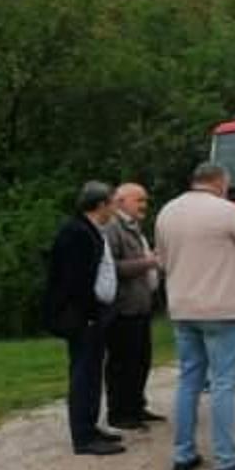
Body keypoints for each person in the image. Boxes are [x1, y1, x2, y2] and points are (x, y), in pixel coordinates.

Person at [156, 162, 235, 470]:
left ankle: (183, 452)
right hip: (222, 306)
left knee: (189, 380)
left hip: (182, 306)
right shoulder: (227, 211)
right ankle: (227, 457)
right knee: (224, 383)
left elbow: (162, 260)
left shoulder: (167, 211)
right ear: (220, 182)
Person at [45, 181, 125, 456]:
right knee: (83, 373)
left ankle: (90, 425)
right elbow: (75, 280)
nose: (115, 208)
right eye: (113, 203)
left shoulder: (90, 230)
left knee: (92, 372)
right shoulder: (76, 233)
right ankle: (83, 435)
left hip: (92, 314)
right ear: (101, 204)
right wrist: (89, 314)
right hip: (81, 317)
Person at [102, 183, 165, 430]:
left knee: (141, 360)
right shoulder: (112, 227)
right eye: (139, 200)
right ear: (120, 201)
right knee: (121, 362)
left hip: (140, 306)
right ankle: (119, 413)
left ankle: (137, 406)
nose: (144, 206)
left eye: (145, 200)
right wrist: (147, 263)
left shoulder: (133, 227)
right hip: (122, 308)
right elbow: (112, 267)